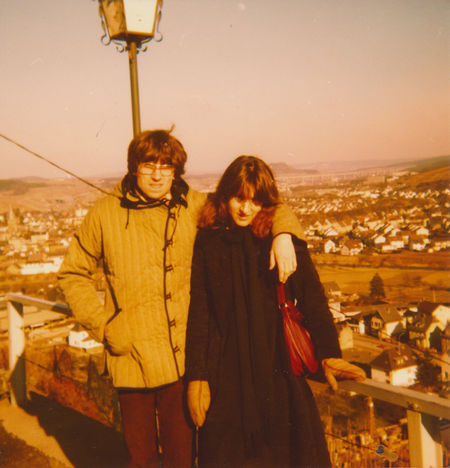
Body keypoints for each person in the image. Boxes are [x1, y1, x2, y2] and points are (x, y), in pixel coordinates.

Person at [57, 130, 304, 468]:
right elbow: (72, 274)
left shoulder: (196, 207)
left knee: (183, 459)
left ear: (176, 170)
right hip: (131, 355)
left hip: (182, 361)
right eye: (148, 164)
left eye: (166, 165)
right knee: (139, 458)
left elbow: (256, 203)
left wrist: (284, 233)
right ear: (133, 167)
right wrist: (105, 327)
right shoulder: (104, 214)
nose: (157, 174)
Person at [185, 155, 366, 468]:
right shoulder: (208, 241)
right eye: (239, 198)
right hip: (226, 378)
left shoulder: (281, 241)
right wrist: (197, 377)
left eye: (255, 201)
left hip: (278, 372)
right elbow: (200, 312)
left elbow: (313, 299)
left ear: (266, 203)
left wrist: (329, 353)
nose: (245, 208)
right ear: (225, 195)